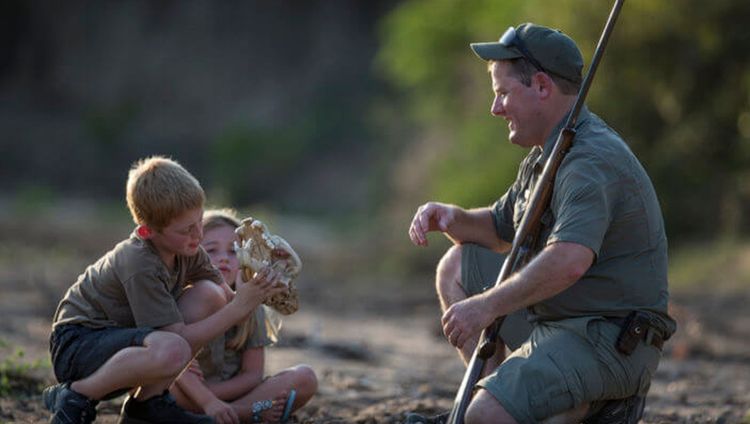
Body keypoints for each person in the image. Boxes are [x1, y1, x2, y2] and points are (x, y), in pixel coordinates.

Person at [407, 23, 676, 424]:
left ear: (542, 87)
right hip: (558, 320)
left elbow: (569, 260)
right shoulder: (546, 153)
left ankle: (591, 408)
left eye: (502, 94)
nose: (495, 109)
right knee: (457, 265)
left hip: (607, 339)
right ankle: (501, 398)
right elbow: (500, 228)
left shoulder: (589, 160)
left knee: (485, 419)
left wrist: (486, 306)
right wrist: (452, 217)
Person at [42, 156, 286, 424]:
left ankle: (147, 405)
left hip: (126, 346)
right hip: (78, 346)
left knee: (209, 294)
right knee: (173, 349)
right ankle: (74, 396)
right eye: (185, 230)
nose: (197, 236)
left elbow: (225, 299)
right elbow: (179, 339)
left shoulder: (188, 248)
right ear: (147, 231)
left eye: (199, 223)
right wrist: (240, 307)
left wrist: (262, 276)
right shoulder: (139, 262)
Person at [170, 209, 317, 424]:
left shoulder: (252, 302)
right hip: (186, 394)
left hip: (229, 394)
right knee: (169, 385)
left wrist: (213, 395)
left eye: (234, 251)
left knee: (305, 378)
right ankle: (245, 413)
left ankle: (224, 414)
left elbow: (252, 375)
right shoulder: (182, 299)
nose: (223, 258)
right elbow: (170, 366)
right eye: (211, 250)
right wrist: (205, 398)